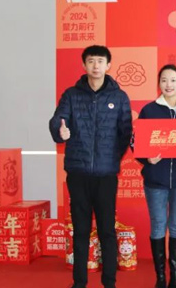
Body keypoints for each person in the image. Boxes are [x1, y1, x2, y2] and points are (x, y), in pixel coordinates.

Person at [49, 45, 132, 288]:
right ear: (84, 65)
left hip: (106, 175)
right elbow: (58, 119)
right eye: (91, 61)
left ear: (108, 65)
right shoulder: (71, 95)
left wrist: (111, 158)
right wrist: (60, 131)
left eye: (100, 61)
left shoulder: (119, 97)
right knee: (81, 230)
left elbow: (125, 132)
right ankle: (79, 282)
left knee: (107, 230)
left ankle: (109, 282)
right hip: (78, 172)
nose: (96, 66)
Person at [134, 65, 176, 288]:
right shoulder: (149, 110)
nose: (168, 85)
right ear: (159, 83)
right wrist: (146, 158)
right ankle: (160, 278)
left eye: (173, 80)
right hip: (155, 180)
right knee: (158, 226)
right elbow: (136, 142)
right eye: (164, 80)